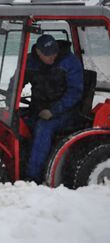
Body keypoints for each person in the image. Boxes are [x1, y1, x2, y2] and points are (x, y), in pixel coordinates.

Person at [21, 34, 83, 183]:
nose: (52, 58)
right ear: (38, 52)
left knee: (44, 127)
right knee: (15, 120)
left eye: (54, 54)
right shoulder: (30, 61)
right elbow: (17, 79)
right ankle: (18, 164)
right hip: (39, 108)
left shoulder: (69, 62)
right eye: (48, 55)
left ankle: (32, 177)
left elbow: (75, 92)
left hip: (66, 112)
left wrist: (53, 111)